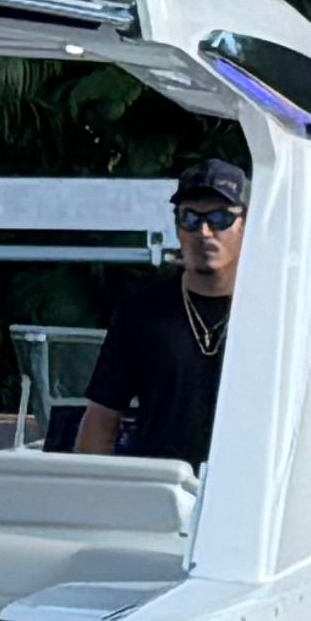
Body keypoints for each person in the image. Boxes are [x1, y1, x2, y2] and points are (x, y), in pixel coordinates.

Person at [69, 155, 248, 461]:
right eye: (190, 219)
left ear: (246, 224)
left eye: (220, 219)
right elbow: (101, 419)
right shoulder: (141, 313)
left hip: (254, 496)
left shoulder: (276, 312)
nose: (204, 232)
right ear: (177, 228)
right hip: (162, 492)